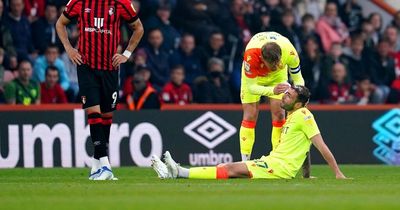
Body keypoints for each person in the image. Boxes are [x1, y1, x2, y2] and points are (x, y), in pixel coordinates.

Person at [151, 86, 347, 180]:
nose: (284, 95)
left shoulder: (304, 114)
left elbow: (321, 146)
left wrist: (337, 173)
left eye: (289, 95)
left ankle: (179, 173)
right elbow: (305, 149)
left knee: (230, 169)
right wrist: (306, 176)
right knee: (227, 167)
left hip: (279, 168)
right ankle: (176, 172)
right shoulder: (293, 117)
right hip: (273, 162)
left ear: (297, 103)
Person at [56, 0, 144, 180]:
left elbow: (138, 28)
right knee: (93, 111)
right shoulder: (79, 2)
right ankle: (105, 165)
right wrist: (69, 49)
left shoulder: (122, 3)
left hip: (110, 67)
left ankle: (96, 167)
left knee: (106, 116)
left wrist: (126, 54)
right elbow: (60, 23)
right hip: (86, 66)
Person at [238, 32, 304, 164]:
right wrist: (271, 91)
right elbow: (251, 87)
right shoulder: (251, 56)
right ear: (262, 58)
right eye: (272, 64)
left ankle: (277, 160)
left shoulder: (289, 52)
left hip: (277, 78)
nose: (275, 66)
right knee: (250, 115)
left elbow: (298, 80)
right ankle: (245, 162)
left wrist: (299, 99)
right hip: (254, 78)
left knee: (279, 114)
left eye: (278, 62)